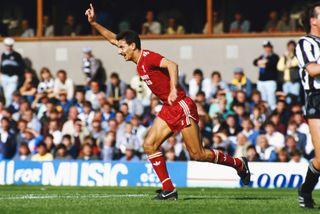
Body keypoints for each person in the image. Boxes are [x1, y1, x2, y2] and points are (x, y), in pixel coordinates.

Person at [85, 3, 250, 200]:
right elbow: (113, 39)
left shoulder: (148, 57)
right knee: (149, 145)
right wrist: (95, 23)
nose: (119, 51)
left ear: (133, 46)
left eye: (122, 47)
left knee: (198, 154)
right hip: (168, 108)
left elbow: (172, 65)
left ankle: (239, 164)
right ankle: (169, 189)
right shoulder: (138, 61)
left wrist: (173, 89)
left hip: (181, 105)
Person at [294, 2, 320, 208]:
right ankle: (305, 191)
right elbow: (312, 70)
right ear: (312, 20)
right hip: (316, 99)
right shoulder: (305, 43)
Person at [253, 41, 279, 110]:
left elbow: (270, 64)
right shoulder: (262, 56)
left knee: (271, 100)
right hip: (261, 81)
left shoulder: (274, 56)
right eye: (265, 47)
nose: (267, 49)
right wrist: (262, 62)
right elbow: (255, 62)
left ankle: (272, 113)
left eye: (268, 47)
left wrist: (262, 63)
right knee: (263, 100)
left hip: (270, 81)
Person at [0, 37, 25, 106]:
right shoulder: (3, 55)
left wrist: (18, 76)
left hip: (13, 78)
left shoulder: (17, 55)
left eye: (10, 46)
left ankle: (8, 107)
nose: (9, 47)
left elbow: (21, 67)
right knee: (5, 94)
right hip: (4, 77)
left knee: (9, 95)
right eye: (7, 45)